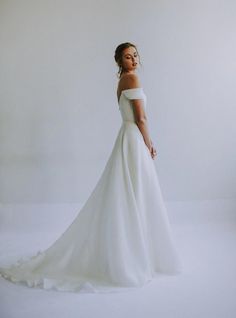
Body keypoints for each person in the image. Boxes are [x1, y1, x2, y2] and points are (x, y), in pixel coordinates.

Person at [0, 42, 182, 293]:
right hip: (134, 138)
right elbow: (141, 118)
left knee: (129, 192)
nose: (134, 59)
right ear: (120, 62)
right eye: (128, 57)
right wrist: (149, 144)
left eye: (136, 55)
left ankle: (134, 251)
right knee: (136, 191)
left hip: (126, 137)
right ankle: (136, 255)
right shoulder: (132, 79)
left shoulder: (122, 82)